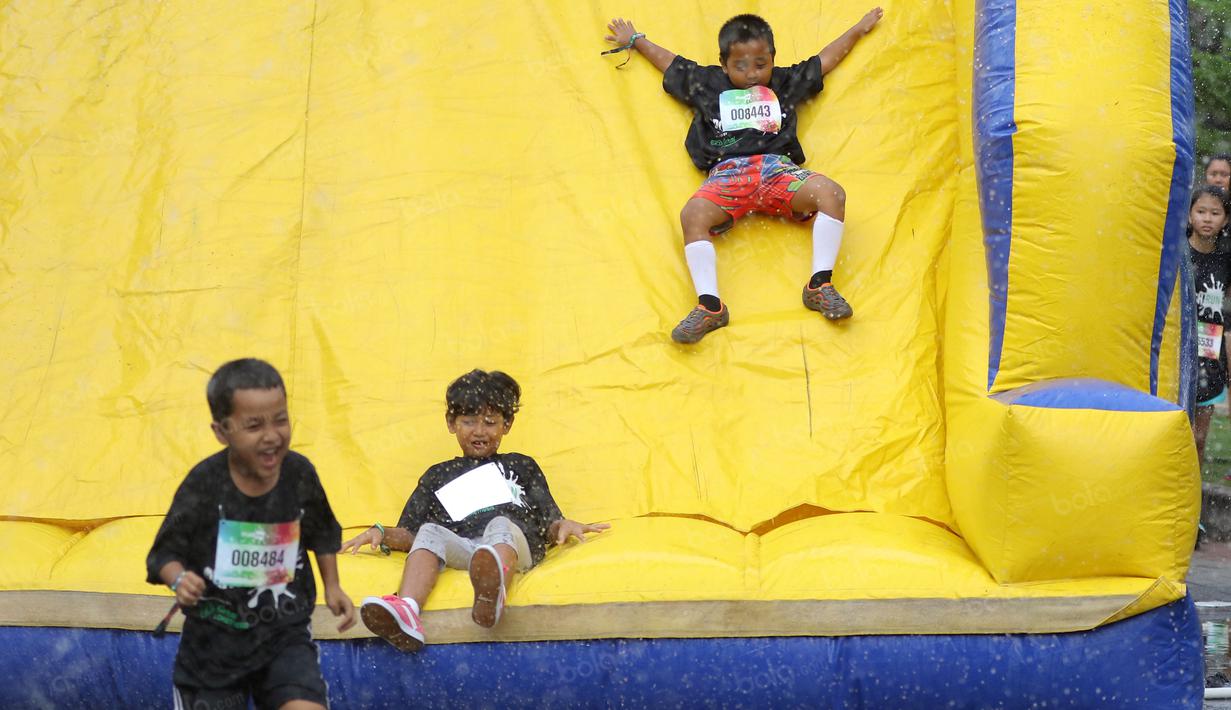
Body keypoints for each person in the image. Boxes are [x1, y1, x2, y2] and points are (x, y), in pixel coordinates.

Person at [603, 10, 884, 343]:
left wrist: (858, 30)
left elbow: (823, 61)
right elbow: (672, 64)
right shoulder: (707, 84)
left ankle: (819, 285)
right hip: (728, 175)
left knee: (833, 194)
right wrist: (636, 40)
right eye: (740, 66)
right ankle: (710, 306)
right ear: (724, 65)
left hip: (777, 170)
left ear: (773, 59)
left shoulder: (783, 84)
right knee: (692, 214)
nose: (752, 74)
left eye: (761, 64)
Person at [343, 369, 609, 652]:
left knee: (499, 523)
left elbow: (549, 520)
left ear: (507, 424)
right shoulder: (438, 475)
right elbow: (411, 533)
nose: (479, 431)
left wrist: (563, 526)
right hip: (467, 548)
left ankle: (493, 594)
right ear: (451, 423)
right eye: (468, 421)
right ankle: (408, 609)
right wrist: (381, 533)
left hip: (515, 546)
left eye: (490, 422)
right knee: (430, 530)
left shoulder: (521, 465)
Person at [146, 358, 356, 709]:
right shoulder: (204, 485)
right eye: (254, 425)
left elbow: (321, 532)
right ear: (221, 431)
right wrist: (179, 578)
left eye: (281, 420)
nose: (272, 436)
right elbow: (163, 555)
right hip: (215, 644)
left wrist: (332, 586)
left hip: (282, 633)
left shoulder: (300, 475)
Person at [1189, 185, 1231, 464]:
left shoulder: (1226, 260)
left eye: (1215, 213)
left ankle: (1191, 499)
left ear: (1225, 219)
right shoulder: (1177, 254)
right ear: (1190, 214)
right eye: (1201, 211)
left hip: (1211, 358)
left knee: (1199, 438)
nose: (1207, 218)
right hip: (1178, 352)